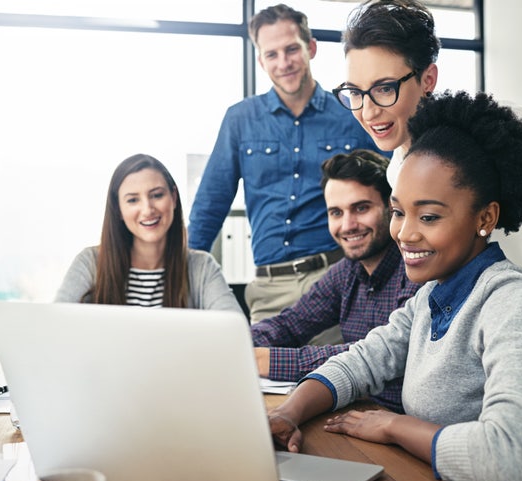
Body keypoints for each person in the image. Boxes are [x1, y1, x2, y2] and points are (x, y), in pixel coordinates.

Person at [269, 91, 522, 481]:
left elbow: (516, 462)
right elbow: (361, 360)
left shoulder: (513, 300)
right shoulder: (430, 296)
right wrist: (288, 412)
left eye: (428, 216)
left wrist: (395, 427)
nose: (405, 233)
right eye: (399, 212)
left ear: (485, 218)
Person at [333, 0, 522, 396]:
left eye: (385, 88)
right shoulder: (397, 170)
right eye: (355, 92)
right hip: (519, 363)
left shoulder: (513, 129)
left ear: (428, 79)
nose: (368, 110)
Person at [188, 4, 380, 340]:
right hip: (268, 288)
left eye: (292, 49)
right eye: (271, 54)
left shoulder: (352, 113)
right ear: (261, 61)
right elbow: (210, 206)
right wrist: (182, 278)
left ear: (312, 48)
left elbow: (390, 190)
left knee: (333, 386)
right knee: (259, 385)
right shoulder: (240, 120)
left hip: (337, 279)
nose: (283, 62)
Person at [253, 149, 420, 412]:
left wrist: (267, 360)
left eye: (361, 208)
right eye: (336, 213)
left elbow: (375, 354)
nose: (348, 225)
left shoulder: (415, 267)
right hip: (358, 413)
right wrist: (239, 346)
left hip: (401, 421)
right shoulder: (347, 271)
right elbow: (290, 324)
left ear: (392, 207)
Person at [55, 153, 243, 313]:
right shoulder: (90, 262)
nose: (147, 209)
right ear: (118, 209)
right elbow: (55, 328)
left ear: (174, 198)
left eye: (157, 195)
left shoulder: (201, 267)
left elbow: (236, 335)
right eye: (133, 200)